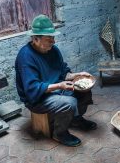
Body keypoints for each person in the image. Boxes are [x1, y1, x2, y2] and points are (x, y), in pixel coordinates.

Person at [15, 14, 97, 147]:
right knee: (69, 102)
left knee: (84, 90)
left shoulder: (53, 50)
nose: (53, 42)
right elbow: (32, 89)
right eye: (49, 39)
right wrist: (60, 85)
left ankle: (76, 119)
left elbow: (63, 73)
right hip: (37, 98)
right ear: (35, 39)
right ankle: (59, 133)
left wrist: (78, 75)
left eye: (53, 37)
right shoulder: (26, 57)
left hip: (56, 89)